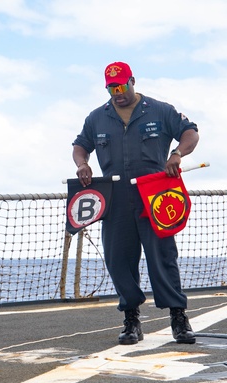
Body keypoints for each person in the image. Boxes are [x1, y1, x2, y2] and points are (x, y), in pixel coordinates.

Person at [72, 61, 200, 345]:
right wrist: (82, 164)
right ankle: (131, 319)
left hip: (154, 195)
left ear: (133, 81)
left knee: (162, 257)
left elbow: (190, 133)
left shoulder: (160, 110)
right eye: (111, 88)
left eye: (122, 86)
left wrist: (177, 154)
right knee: (118, 259)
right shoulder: (97, 118)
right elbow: (80, 145)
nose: (117, 92)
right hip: (115, 198)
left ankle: (179, 318)